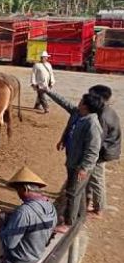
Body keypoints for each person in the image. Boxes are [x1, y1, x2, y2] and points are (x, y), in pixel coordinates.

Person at [42, 88, 103, 232]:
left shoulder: (92, 125)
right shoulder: (78, 114)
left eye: (81, 102)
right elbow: (63, 102)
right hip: (72, 161)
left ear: (86, 107)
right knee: (77, 191)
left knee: (73, 192)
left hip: (79, 166)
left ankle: (69, 223)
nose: (78, 103)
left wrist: (84, 168)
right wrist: (47, 91)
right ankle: (78, 215)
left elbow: (93, 150)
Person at [86, 85, 121, 218]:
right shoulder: (107, 110)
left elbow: (97, 140)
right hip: (107, 149)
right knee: (94, 177)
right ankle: (92, 202)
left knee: (97, 179)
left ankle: (98, 209)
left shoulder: (102, 115)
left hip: (103, 152)